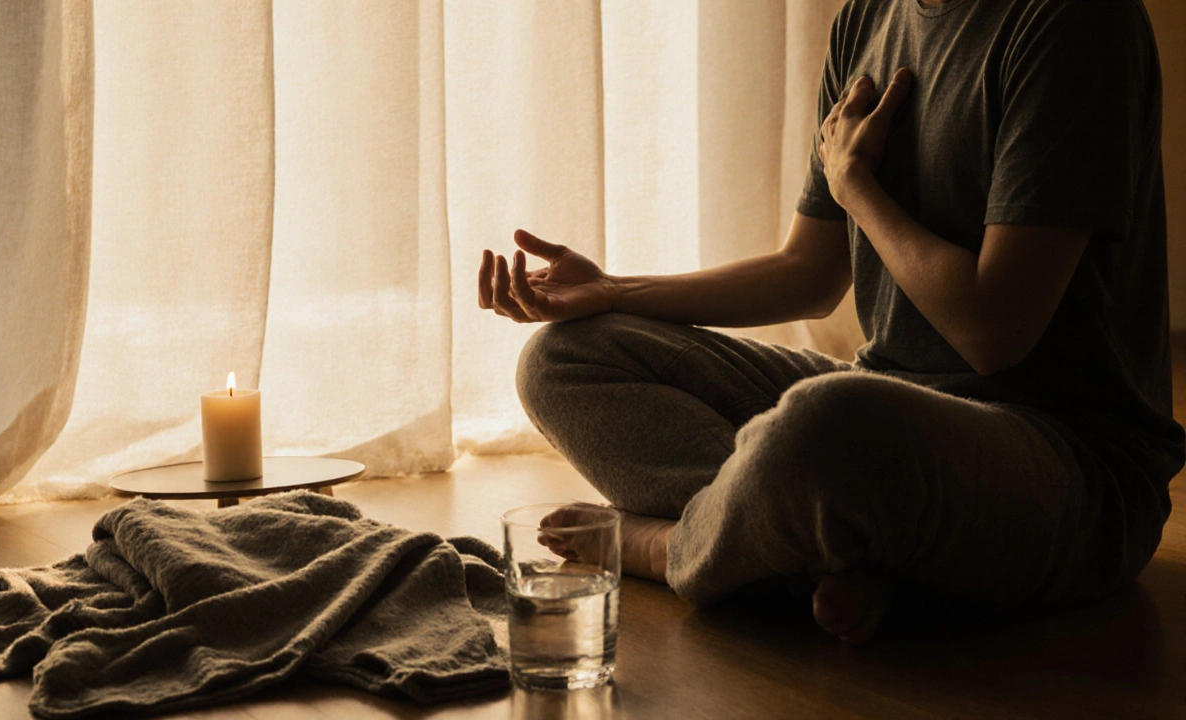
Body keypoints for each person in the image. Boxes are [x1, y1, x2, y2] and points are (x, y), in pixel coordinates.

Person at [477, 0, 1184, 644]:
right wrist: (611, 290)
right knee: (561, 359)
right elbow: (808, 272)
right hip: (890, 416)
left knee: (825, 422)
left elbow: (993, 330)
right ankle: (839, 550)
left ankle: (677, 549)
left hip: (1070, 465)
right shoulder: (866, 18)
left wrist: (858, 189)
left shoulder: (1074, 22)